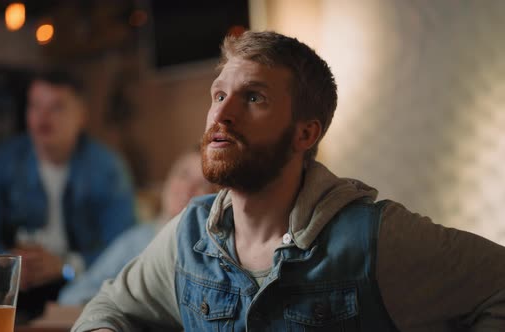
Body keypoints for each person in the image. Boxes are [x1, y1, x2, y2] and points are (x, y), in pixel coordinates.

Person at [72, 31, 505, 332]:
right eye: (219, 95)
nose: (222, 115)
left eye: (254, 97)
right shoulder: (187, 238)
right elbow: (105, 307)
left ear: (305, 133)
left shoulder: (376, 239)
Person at [0, 70, 136, 319]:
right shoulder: (4, 160)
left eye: (57, 107)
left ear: (81, 116)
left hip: (78, 286)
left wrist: (66, 266)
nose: (42, 117)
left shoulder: (108, 168)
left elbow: (124, 250)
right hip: (11, 287)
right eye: (35, 106)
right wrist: (6, 263)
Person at [57, 150, 216, 306]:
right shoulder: (134, 240)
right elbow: (73, 295)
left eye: (203, 184)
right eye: (183, 175)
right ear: (166, 180)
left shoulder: (212, 254)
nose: (187, 188)